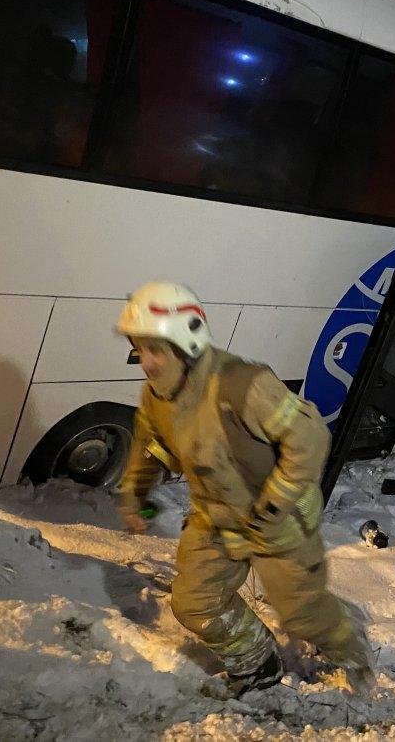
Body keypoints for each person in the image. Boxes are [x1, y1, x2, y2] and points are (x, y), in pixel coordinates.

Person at [115, 281, 373, 695]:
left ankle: (352, 649)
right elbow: (152, 447)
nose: (145, 362)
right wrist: (134, 494)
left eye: (154, 349)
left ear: (187, 343)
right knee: (195, 603)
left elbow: (309, 437)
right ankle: (258, 665)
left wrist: (275, 503)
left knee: (302, 614)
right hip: (216, 517)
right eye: (138, 348)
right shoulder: (157, 396)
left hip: (278, 519)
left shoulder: (243, 383)